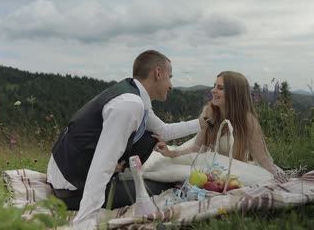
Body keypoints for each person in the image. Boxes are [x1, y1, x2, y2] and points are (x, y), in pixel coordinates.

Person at [46, 50, 210, 229]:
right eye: (169, 77)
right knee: (160, 186)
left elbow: (163, 131)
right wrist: (85, 221)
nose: (171, 85)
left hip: (67, 173)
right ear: (157, 73)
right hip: (71, 189)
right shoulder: (130, 105)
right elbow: (103, 163)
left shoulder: (135, 97)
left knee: (150, 140)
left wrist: (204, 122)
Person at [154, 71, 278, 176]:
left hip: (226, 168)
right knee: (165, 165)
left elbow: (262, 158)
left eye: (220, 88)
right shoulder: (209, 112)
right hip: (200, 154)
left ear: (234, 93)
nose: (213, 91)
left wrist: (275, 176)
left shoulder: (247, 120)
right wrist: (173, 154)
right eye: (214, 86)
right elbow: (198, 147)